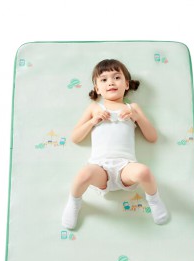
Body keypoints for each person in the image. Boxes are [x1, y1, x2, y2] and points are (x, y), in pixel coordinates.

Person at [61, 59, 169, 229]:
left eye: (116, 77)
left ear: (126, 84)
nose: (111, 82)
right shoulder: (94, 108)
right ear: (97, 88)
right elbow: (75, 137)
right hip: (99, 168)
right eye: (104, 80)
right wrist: (92, 122)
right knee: (83, 174)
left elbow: (152, 137)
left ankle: (154, 200)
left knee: (144, 172)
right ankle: (74, 202)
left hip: (125, 167)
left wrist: (137, 117)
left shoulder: (132, 107)